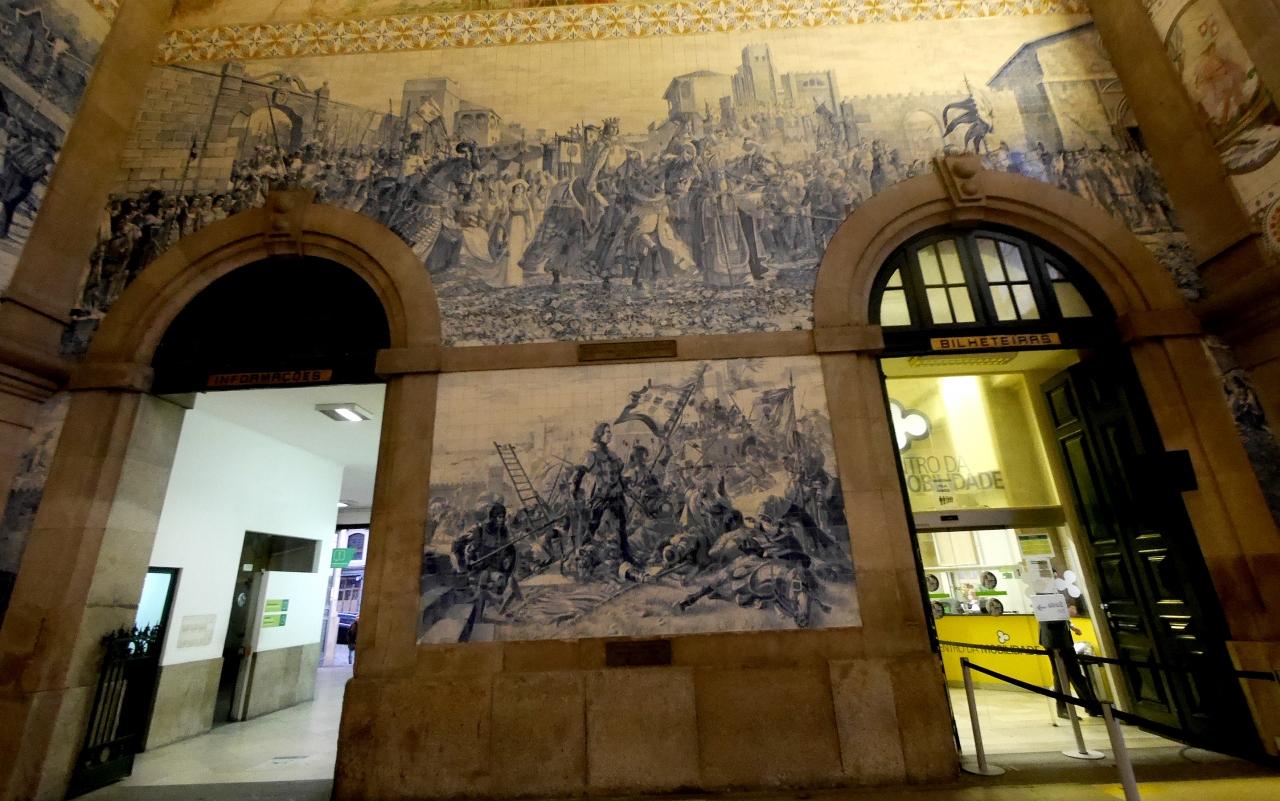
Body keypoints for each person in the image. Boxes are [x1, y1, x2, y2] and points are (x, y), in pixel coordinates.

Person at [1040, 608, 1099, 718]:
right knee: (1062, 676)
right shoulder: (1046, 602)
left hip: (1063, 640)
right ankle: (1063, 708)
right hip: (1054, 641)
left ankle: (1092, 706)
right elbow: (1051, 620)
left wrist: (1071, 625)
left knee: (1074, 674)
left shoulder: (1055, 601)